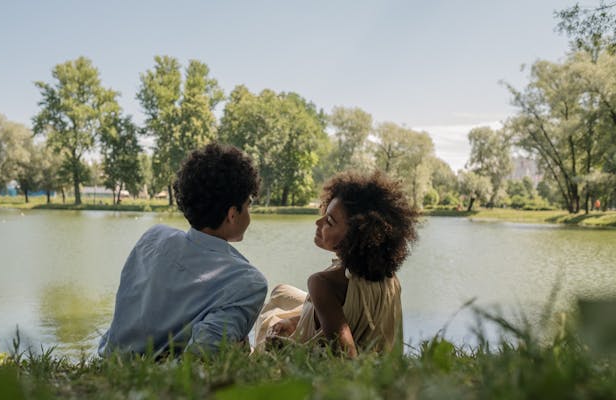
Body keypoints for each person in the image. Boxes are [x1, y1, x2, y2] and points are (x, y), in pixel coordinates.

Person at [98, 143, 268, 357]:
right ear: (232, 214)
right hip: (160, 382)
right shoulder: (248, 282)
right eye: (248, 204)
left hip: (112, 359)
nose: (250, 213)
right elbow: (203, 356)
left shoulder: (153, 238)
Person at [254, 171, 418, 357]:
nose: (318, 221)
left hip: (326, 355)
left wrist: (287, 348)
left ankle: (257, 353)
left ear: (356, 236)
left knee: (270, 318)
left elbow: (346, 357)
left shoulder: (322, 283)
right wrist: (294, 320)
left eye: (329, 222)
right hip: (363, 340)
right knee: (281, 292)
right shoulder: (389, 277)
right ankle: (297, 318)